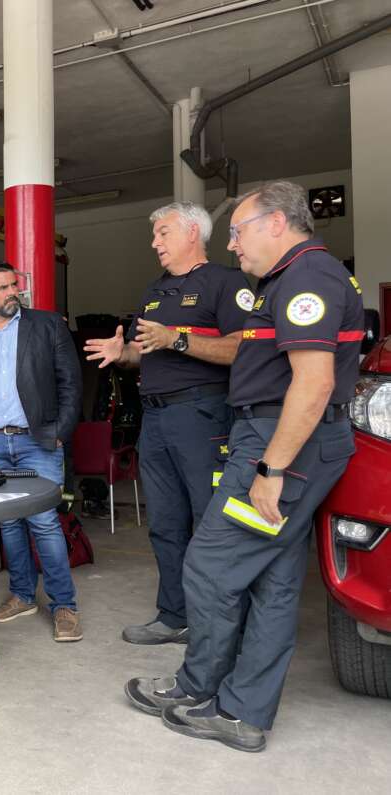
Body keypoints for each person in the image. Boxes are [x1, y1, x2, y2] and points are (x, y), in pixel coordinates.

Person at [125, 181, 363, 752]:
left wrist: (271, 469)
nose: (232, 244)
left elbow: (314, 382)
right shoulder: (288, 279)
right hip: (280, 436)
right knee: (275, 578)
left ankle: (197, 686)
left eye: (238, 231)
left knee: (209, 564)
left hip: (281, 442)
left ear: (276, 223)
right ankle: (241, 713)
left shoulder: (308, 277)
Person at [84, 201, 253, 645]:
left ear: (192, 233)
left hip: (202, 415)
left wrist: (177, 338)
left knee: (211, 523)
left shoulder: (227, 282)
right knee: (165, 523)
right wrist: (123, 354)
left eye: (163, 233)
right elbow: (144, 351)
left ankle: (221, 627)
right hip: (155, 418)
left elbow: (243, 348)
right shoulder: (154, 290)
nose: (154, 242)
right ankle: (175, 615)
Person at [0, 261, 83, 641]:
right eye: (3, 288)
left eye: (14, 285)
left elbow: (70, 383)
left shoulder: (48, 325)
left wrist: (60, 433)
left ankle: (64, 606)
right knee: (8, 522)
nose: (13, 293)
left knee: (43, 521)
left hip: (36, 440)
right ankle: (23, 595)